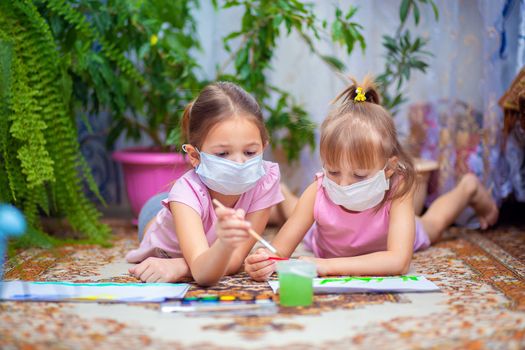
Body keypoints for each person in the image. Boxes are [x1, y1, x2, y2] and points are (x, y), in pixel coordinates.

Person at [244, 77, 499, 281]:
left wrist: (325, 266)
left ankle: (467, 188)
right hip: (323, 239)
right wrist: (264, 261)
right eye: (333, 171)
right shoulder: (319, 190)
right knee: (297, 212)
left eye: (359, 175)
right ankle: (285, 193)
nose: (342, 184)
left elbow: (398, 262)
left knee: (434, 223)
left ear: (388, 168)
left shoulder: (397, 190)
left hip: (352, 249)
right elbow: (278, 253)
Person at [126, 81, 284, 286]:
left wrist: (181, 266)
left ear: (263, 146)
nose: (239, 163)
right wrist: (225, 244)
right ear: (194, 155)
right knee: (176, 203)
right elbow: (203, 274)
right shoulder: (184, 193)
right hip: (158, 213)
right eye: (222, 153)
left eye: (250, 152)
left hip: (199, 208)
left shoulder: (266, 179)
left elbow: (234, 262)